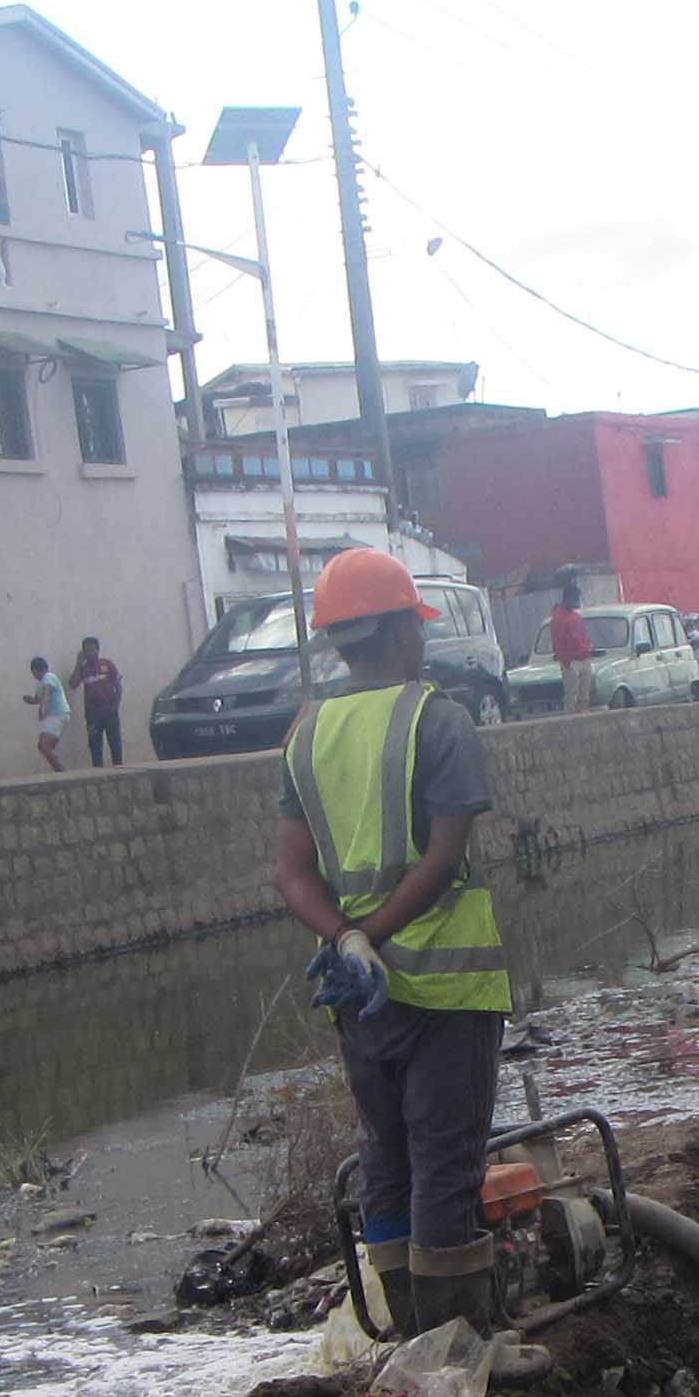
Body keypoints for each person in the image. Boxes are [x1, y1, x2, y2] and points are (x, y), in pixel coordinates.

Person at [272, 548, 511, 1338]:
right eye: (416, 621)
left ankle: (407, 1332)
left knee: (388, 1160)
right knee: (446, 1164)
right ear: (401, 628)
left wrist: (344, 942)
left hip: (360, 997)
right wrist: (371, 937)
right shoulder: (437, 719)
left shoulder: (307, 736)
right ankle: (456, 1347)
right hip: (446, 989)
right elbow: (442, 860)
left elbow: (291, 873)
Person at [69, 634, 126, 767]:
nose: (90, 653)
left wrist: (116, 706)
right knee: (95, 745)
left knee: (115, 742)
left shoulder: (107, 664)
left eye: (93, 649)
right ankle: (98, 773)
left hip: (109, 709)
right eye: (87, 650)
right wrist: (78, 663)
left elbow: (118, 686)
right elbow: (72, 684)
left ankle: (119, 770)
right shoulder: (83, 668)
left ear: (98, 650)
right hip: (92, 713)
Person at [545, 582, 596, 713]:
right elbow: (557, 642)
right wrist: (566, 660)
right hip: (571, 661)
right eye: (576, 598)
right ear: (568, 598)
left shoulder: (576, 616)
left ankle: (583, 720)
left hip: (584, 658)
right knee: (571, 696)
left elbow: (582, 636)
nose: (578, 602)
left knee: (584, 697)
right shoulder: (558, 618)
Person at [24, 654, 71, 772]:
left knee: (44, 746)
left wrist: (42, 710)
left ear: (37, 670)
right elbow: (38, 698)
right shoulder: (42, 682)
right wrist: (30, 700)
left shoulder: (48, 678)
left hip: (57, 715)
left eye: (33, 672)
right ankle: (59, 770)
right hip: (57, 715)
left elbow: (46, 695)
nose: (33, 675)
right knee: (47, 746)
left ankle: (63, 773)